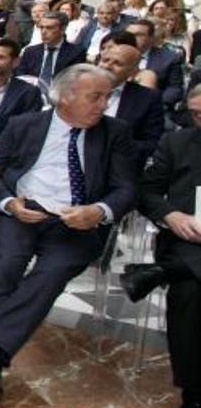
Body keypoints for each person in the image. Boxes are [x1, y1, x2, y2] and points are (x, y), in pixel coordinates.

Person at [0, 64, 135, 400]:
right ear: (64, 98)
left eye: (107, 98)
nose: (103, 105)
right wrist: (9, 203)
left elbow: (126, 189)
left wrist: (98, 211)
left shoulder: (116, 133)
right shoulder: (23, 125)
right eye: (95, 97)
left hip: (77, 220)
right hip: (22, 211)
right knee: (7, 263)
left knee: (52, 271)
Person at [124, 84, 201, 407]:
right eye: (196, 113)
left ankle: (161, 271)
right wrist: (170, 215)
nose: (200, 119)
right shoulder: (178, 141)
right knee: (191, 292)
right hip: (189, 240)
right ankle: (194, 392)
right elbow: (146, 191)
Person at [97, 43, 164, 166]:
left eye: (117, 63)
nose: (108, 66)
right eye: (105, 60)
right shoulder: (76, 89)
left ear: (132, 71)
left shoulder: (147, 98)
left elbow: (152, 143)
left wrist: (115, 146)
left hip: (119, 166)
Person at [128, 18, 185, 113]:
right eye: (129, 35)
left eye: (138, 35)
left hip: (155, 107)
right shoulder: (113, 55)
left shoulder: (169, 58)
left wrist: (155, 104)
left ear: (151, 37)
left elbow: (175, 88)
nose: (132, 38)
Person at [15, 11, 83, 84]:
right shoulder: (30, 51)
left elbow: (73, 81)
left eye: (49, 28)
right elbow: (21, 77)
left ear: (62, 29)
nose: (43, 32)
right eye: (41, 27)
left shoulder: (76, 53)